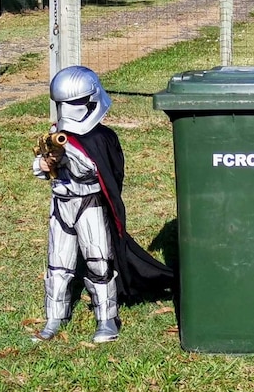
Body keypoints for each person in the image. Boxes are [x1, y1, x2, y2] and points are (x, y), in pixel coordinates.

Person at [32, 65, 174, 343]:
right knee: (58, 266)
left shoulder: (102, 138)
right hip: (62, 204)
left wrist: (67, 155)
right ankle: (53, 318)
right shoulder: (55, 134)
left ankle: (107, 319)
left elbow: (95, 170)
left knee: (99, 263)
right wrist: (47, 161)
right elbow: (38, 169)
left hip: (90, 203)